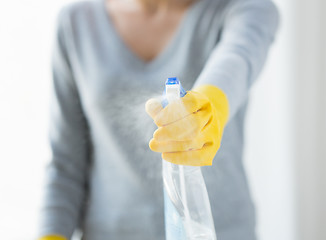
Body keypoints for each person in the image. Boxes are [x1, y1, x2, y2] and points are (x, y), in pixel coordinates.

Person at [38, 0, 279, 239]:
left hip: (215, 232)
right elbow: (65, 164)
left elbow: (236, 60)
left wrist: (208, 107)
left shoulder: (244, 9)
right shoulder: (76, 23)